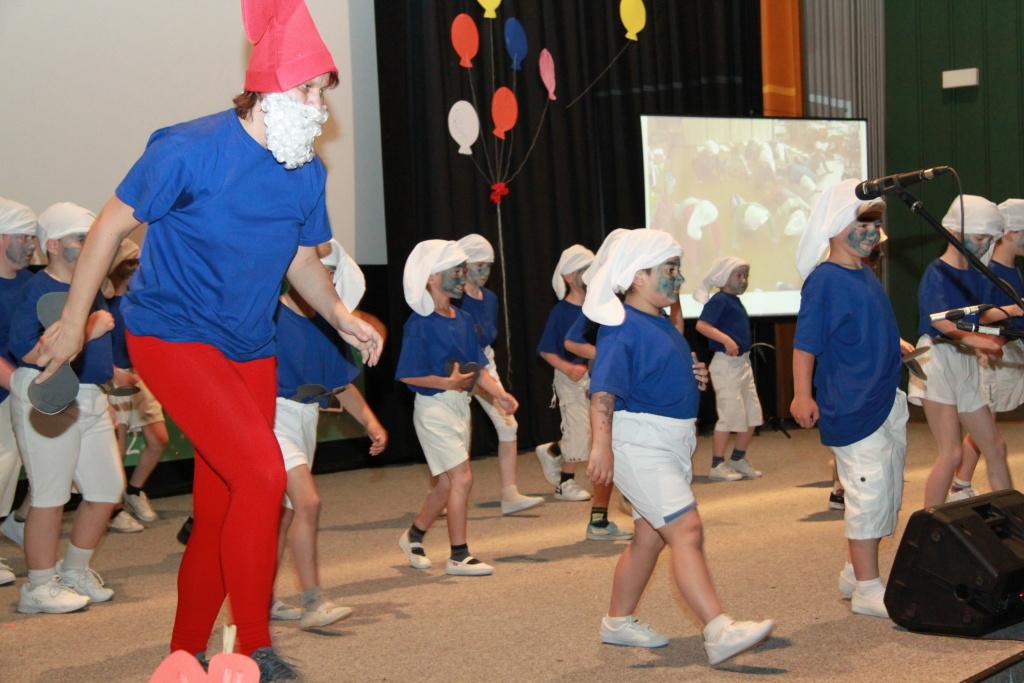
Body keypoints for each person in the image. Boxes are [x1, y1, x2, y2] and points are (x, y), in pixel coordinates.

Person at [30, 0, 381, 674]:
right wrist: (74, 321)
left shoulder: (306, 171)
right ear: (267, 89)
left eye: (325, 92)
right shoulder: (187, 148)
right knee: (262, 473)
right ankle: (255, 647)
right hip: (173, 335)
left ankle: (183, 653)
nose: (320, 108)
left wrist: (341, 315)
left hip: (250, 346)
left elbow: (301, 258)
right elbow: (109, 227)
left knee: (223, 504)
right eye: (309, 91)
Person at [585, 228, 773, 665]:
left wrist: (692, 378)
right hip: (641, 444)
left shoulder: (660, 322)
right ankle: (718, 629)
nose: (679, 277)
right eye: (669, 269)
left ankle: (617, 622)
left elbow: (654, 372)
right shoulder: (620, 327)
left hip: (670, 443)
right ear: (638, 276)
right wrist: (601, 447)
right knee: (686, 529)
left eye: (678, 268)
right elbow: (603, 393)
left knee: (649, 538)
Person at [791, 179, 912, 617]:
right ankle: (866, 588)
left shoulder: (865, 273)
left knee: (886, 491)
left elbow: (865, 324)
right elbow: (806, 344)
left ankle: (853, 571)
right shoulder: (824, 280)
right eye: (862, 223)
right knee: (867, 493)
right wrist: (801, 394)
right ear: (837, 224)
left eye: (875, 224)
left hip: (884, 398)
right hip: (853, 404)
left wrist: (894, 343)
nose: (871, 232)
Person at [10, 202, 123, 614]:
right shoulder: (36, 290)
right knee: (49, 494)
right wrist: (89, 328)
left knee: (107, 489)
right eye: (81, 238)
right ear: (54, 245)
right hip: (45, 395)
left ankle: (74, 570)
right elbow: (30, 354)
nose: (90, 245)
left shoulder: (87, 289)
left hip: (90, 396)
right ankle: (38, 586)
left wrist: (106, 390)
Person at [270, 240, 387, 629]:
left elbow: (341, 385)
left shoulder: (327, 328)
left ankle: (262, 596)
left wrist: (370, 423)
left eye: (332, 278)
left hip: (306, 421)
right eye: (321, 274)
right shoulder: (268, 314)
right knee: (308, 502)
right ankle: (313, 602)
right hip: (272, 418)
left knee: (284, 515)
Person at [396, 239, 518, 577]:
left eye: (464, 271)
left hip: (459, 408)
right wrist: (446, 383)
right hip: (433, 410)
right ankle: (459, 555)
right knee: (462, 477)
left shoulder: (463, 319)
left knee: (448, 485)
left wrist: (499, 394)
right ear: (432, 277)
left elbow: (477, 367)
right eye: (456, 271)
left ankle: (414, 535)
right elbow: (407, 374)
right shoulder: (419, 323)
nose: (463, 277)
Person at [907, 195, 1010, 507]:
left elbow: (979, 315)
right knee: (951, 453)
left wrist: (1011, 312)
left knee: (995, 446)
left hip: (962, 360)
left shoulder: (975, 274)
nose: (985, 245)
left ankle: (1013, 517)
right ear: (954, 232)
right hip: (933, 359)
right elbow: (941, 322)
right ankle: (930, 522)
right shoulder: (937, 273)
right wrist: (981, 341)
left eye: (989, 240)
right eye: (979, 238)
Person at [454, 234, 542, 515]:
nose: (484, 273)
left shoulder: (490, 298)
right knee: (457, 432)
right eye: (479, 266)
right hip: (457, 364)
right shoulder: (455, 299)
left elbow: (486, 337)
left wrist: (489, 380)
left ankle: (509, 493)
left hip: (484, 361)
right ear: (464, 267)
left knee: (507, 425)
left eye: (488, 267)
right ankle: (445, 492)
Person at [945, 198, 1024, 501]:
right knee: (986, 428)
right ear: (1011, 233)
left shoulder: (1011, 271)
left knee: (985, 428)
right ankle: (961, 486)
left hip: (1010, 353)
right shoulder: (990, 273)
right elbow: (980, 319)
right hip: (995, 355)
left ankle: (961, 483)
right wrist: (1008, 317)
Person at [103, 238, 166, 532]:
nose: (141, 268)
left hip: (140, 376)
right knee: (115, 447)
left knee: (159, 439)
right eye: (134, 263)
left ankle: (134, 490)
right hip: (111, 380)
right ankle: (113, 508)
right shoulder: (104, 302)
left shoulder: (141, 301)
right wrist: (113, 371)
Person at [535, 245, 597, 503]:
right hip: (570, 379)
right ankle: (565, 483)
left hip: (595, 377)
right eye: (586, 270)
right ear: (570, 276)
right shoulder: (561, 312)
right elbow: (545, 349)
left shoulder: (596, 308)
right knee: (579, 430)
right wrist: (568, 367)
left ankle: (554, 450)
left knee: (592, 430)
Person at [693, 256, 764, 481]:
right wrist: (726, 340)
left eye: (746, 276)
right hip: (726, 365)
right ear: (724, 276)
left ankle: (737, 458)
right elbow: (702, 325)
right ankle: (717, 464)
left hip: (743, 364)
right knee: (729, 414)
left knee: (752, 414)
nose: (743, 280)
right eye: (738, 275)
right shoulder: (720, 300)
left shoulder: (734, 301)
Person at [0, 198, 37, 585]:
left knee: (50, 468)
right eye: (24, 237)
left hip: (22, 392)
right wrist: (18, 384)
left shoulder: (30, 284)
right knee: (2, 468)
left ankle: (19, 522)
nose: (31, 245)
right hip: (9, 392)